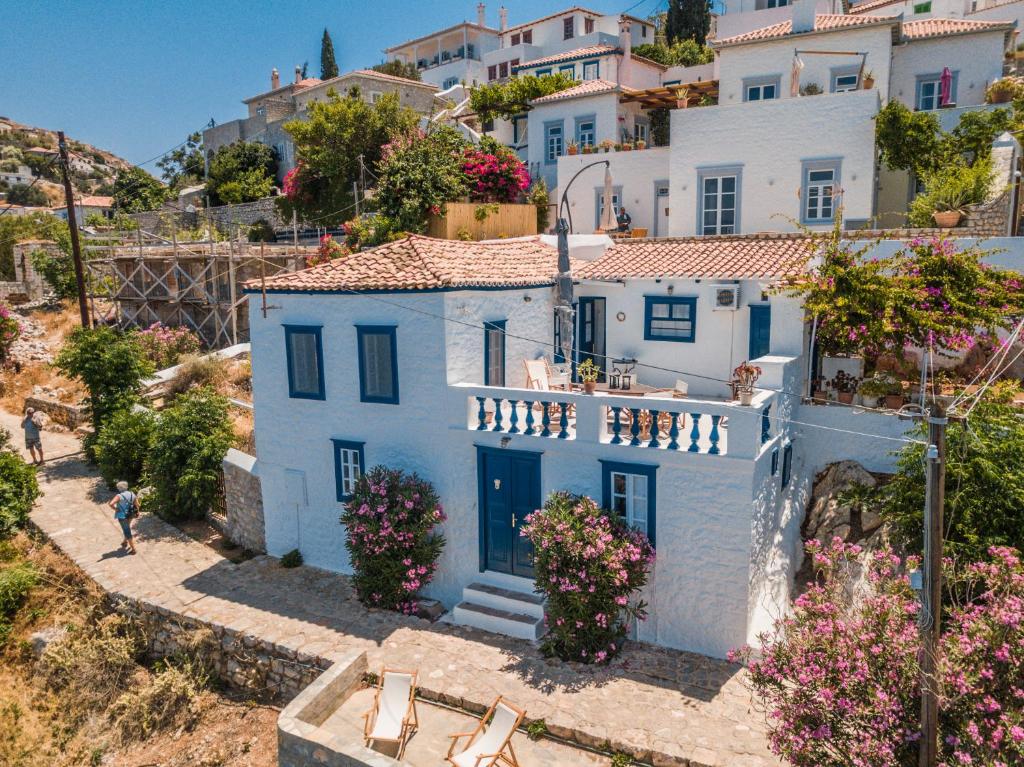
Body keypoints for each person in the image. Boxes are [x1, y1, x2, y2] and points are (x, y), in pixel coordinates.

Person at [108, 481, 139, 554]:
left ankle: (133, 549)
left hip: (122, 516)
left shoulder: (119, 496)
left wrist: (116, 509)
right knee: (127, 527)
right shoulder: (132, 494)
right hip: (131, 514)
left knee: (127, 531)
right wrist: (137, 512)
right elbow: (137, 504)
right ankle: (124, 542)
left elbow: (111, 504)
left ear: (119, 488)